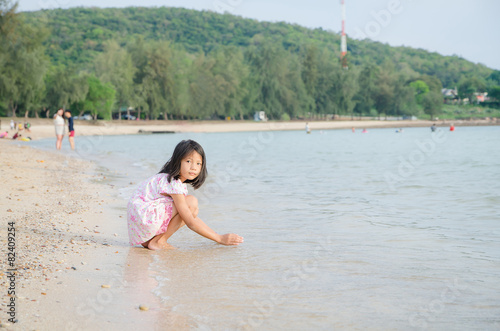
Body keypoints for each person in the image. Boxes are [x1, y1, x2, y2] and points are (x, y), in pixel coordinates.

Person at [127, 139, 244, 250]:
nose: (194, 167)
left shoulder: (167, 178)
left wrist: (217, 236)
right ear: (178, 161)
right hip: (144, 218)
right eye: (188, 161)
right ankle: (159, 241)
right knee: (191, 202)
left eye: (198, 163)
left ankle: (153, 240)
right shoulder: (173, 182)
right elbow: (190, 222)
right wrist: (220, 238)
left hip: (140, 225)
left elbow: (190, 216)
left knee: (191, 209)